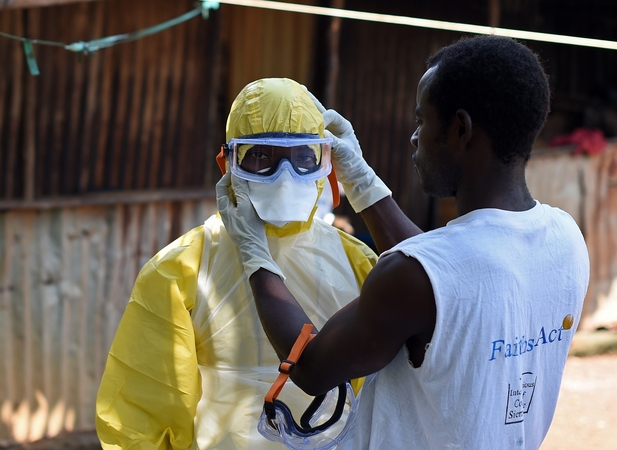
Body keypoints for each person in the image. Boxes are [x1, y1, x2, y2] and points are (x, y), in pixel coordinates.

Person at [217, 35, 590, 449]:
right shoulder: (566, 239)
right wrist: (362, 182)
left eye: (422, 121)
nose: (414, 138)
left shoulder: (414, 278)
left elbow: (308, 367)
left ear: (460, 130)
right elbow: (449, 278)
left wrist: (255, 253)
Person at [95, 78, 387, 449]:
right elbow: (141, 413)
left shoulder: (359, 261)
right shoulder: (180, 270)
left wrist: (364, 184)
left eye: (302, 157)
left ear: (326, 161)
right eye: (261, 157)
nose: (285, 177)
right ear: (229, 163)